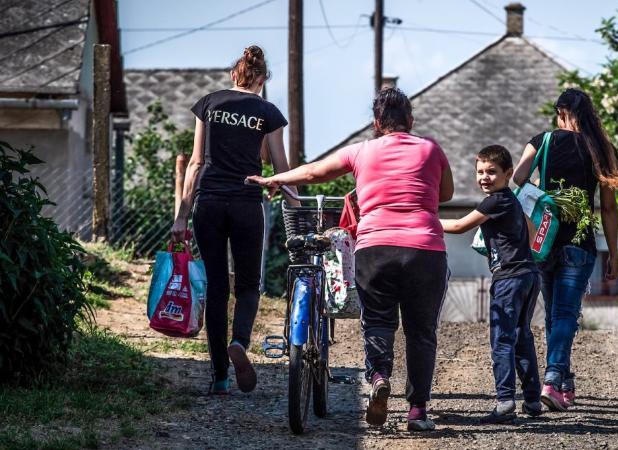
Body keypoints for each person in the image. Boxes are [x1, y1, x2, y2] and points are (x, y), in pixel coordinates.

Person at [246, 87, 454, 431]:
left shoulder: (361, 151)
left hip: (375, 247)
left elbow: (313, 173)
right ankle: (417, 412)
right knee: (421, 332)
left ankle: (377, 378)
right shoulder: (431, 148)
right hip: (425, 249)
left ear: (376, 123)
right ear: (411, 121)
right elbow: (445, 194)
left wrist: (274, 178)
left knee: (377, 322)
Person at [171, 45, 291, 395]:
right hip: (246, 202)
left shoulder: (209, 104)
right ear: (261, 80)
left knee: (217, 287)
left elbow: (195, 163)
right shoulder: (268, 112)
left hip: (208, 202)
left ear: (233, 75)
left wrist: (182, 217)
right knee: (249, 284)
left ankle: (220, 377)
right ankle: (239, 341)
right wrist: (293, 201)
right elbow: (280, 167)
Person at [513, 88, 618, 411]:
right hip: (581, 242)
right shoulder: (602, 149)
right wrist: (613, 254)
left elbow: (519, 178)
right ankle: (554, 380)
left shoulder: (542, 141)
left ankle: (563, 380)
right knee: (564, 315)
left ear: (560, 112)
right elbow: (608, 208)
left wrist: (547, 197)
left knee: (553, 315)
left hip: (545, 239)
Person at [440, 145, 543, 424]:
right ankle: (532, 400)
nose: (485, 177)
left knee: (502, 339)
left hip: (509, 277)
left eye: (492, 172)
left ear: (508, 173)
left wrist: (422, 220)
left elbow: (460, 226)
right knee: (522, 336)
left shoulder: (495, 201)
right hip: (529, 274)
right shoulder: (511, 200)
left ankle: (505, 400)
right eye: (480, 172)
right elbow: (533, 234)